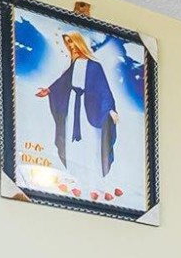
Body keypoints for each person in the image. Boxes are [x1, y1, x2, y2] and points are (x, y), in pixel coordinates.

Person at [36, 31, 120, 178]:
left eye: (72, 41)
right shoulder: (72, 66)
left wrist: (110, 110)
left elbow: (104, 90)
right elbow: (62, 83)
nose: (70, 45)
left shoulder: (95, 66)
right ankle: (73, 175)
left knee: (90, 141)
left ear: (79, 42)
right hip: (73, 106)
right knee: (70, 140)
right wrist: (49, 90)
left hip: (89, 110)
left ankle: (94, 178)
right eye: (68, 42)